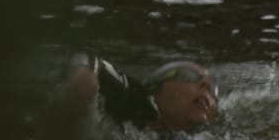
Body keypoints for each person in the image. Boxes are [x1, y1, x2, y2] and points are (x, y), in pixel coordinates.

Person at [60, 53, 220, 132]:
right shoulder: (137, 102)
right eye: (190, 77)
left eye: (213, 91)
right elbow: (89, 60)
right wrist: (83, 80)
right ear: (156, 89)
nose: (205, 85)